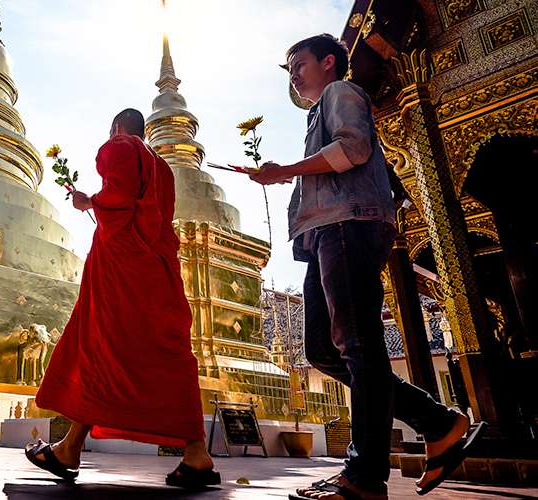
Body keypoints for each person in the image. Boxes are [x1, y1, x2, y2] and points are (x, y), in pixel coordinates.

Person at [248, 34, 485, 499]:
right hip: (322, 233)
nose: (293, 74)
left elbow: (353, 149)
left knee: (358, 346)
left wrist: (287, 170)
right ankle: (438, 422)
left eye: (299, 64)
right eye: (289, 68)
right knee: (322, 350)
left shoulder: (342, 92)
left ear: (329, 62)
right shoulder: (318, 111)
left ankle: (364, 475)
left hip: (349, 224)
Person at [25, 108, 219, 489]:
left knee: (101, 346)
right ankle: (195, 453)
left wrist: (88, 202)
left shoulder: (121, 145)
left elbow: (119, 197)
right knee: (164, 354)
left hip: (123, 268)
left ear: (116, 127)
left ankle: (69, 449)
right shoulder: (162, 168)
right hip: (158, 270)